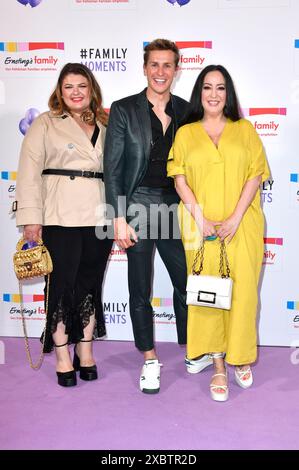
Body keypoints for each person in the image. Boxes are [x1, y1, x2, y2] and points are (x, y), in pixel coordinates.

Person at [104, 39, 213, 394]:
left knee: (186, 283)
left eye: (168, 65)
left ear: (177, 69)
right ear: (145, 68)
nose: (161, 72)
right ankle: (149, 358)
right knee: (140, 287)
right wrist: (117, 217)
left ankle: (193, 349)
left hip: (175, 207)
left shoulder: (186, 111)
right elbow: (114, 168)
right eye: (155, 65)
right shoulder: (123, 109)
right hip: (136, 205)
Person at [167, 64, 270, 401]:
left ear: (228, 94)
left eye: (220, 88)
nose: (213, 94)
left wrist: (236, 218)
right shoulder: (185, 132)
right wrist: (201, 218)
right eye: (207, 87)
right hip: (200, 228)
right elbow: (179, 177)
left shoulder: (245, 130)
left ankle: (240, 357)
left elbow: (255, 175)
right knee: (208, 294)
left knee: (242, 294)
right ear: (199, 92)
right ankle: (218, 365)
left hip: (243, 225)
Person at [15, 63, 113, 387]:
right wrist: (31, 219)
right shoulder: (45, 124)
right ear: (60, 90)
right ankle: (61, 355)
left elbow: (119, 171)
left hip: (100, 215)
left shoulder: (106, 122)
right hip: (59, 215)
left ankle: (85, 352)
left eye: (81, 86)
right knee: (60, 287)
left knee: (89, 284)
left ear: (91, 89)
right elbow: (28, 174)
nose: (75, 92)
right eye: (68, 86)